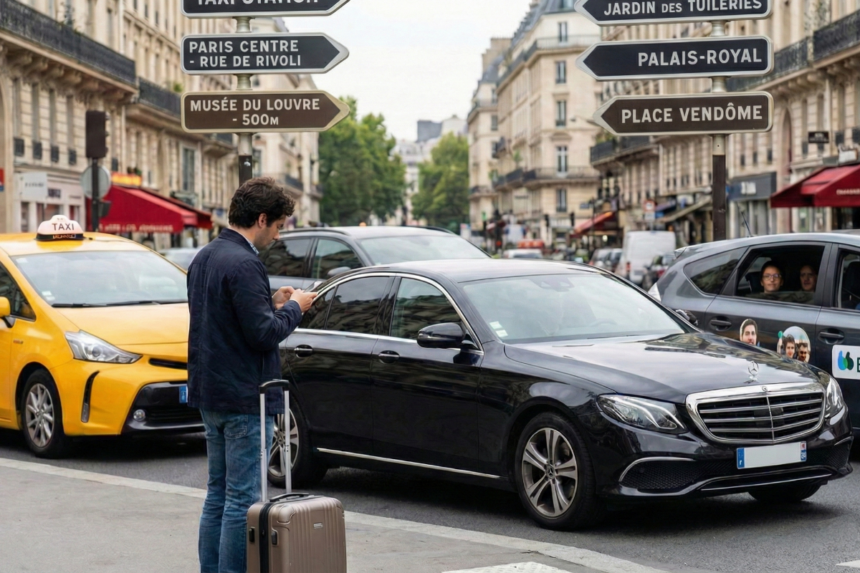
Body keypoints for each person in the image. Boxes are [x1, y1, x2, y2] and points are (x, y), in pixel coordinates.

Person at [187, 177, 317, 573]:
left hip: (210, 391)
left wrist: (270, 301)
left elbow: (227, 316)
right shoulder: (245, 262)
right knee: (241, 500)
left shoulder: (206, 256)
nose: (278, 235)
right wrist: (296, 307)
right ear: (261, 218)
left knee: (217, 494)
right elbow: (263, 334)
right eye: (277, 226)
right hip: (244, 395)